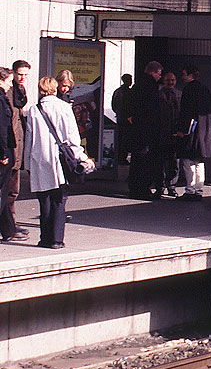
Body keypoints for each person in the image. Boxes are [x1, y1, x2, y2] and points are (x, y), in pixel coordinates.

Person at [23, 76, 95, 249]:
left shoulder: (34, 110)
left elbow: (29, 138)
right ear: (55, 89)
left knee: (44, 199)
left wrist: (27, 163)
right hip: (59, 158)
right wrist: (82, 157)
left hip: (39, 158)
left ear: (41, 90)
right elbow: (72, 137)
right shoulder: (64, 107)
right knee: (59, 199)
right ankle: (56, 239)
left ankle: (44, 239)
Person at [175, 64, 211, 201]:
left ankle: (190, 189)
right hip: (204, 130)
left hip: (191, 130)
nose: (182, 77)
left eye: (184, 74)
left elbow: (185, 112)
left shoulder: (188, 89)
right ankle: (199, 189)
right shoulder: (205, 89)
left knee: (188, 160)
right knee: (200, 161)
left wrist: (181, 130)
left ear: (190, 75)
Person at [128, 61, 163, 200]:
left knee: (137, 160)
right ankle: (143, 189)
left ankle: (134, 188)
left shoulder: (137, 85)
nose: (159, 77)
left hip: (138, 129)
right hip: (147, 129)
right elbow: (152, 109)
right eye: (159, 74)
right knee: (146, 160)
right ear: (152, 72)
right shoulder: (151, 86)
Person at [0, 67, 27, 242]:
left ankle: (8, 229)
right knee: (2, 193)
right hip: (4, 151)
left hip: (6, 149)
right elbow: (2, 128)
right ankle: (8, 230)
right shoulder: (1, 99)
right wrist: (3, 153)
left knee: (3, 193)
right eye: (9, 81)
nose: (11, 85)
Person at [154, 71, 181, 198]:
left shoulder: (179, 94)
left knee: (174, 163)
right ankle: (160, 187)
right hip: (161, 133)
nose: (170, 82)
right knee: (160, 163)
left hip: (174, 134)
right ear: (163, 81)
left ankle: (172, 186)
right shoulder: (158, 95)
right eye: (168, 80)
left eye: (173, 80)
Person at [111, 73, 133, 165]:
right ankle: (122, 158)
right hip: (126, 119)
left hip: (120, 118)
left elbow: (114, 105)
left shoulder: (117, 91)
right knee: (125, 140)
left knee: (121, 139)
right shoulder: (128, 92)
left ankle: (120, 157)